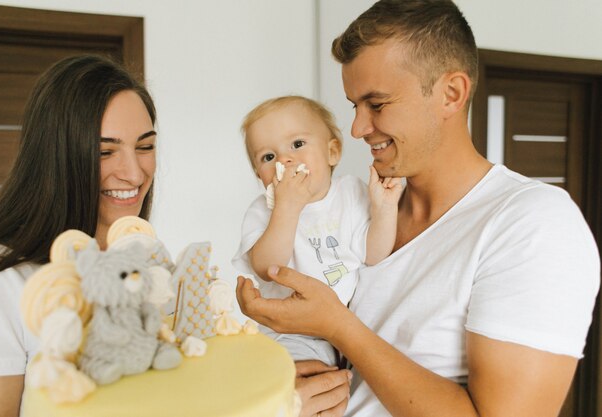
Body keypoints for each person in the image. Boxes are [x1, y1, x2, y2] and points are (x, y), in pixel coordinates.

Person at [237, 1, 601, 416]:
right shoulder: (362, 210)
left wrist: (337, 325)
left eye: (377, 104)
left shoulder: (535, 224)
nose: (357, 128)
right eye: (354, 105)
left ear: (451, 94)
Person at [0, 54, 158, 417]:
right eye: (105, 151)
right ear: (56, 157)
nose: (135, 174)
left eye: (145, 147)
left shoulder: (142, 261)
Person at [232, 95, 402, 366]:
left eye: (297, 144)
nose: (285, 160)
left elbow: (374, 254)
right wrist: (286, 208)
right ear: (259, 175)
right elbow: (267, 268)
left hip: (349, 325)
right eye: (268, 156)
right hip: (293, 333)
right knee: (306, 381)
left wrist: (385, 209)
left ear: (332, 152)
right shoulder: (262, 210)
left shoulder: (351, 192)